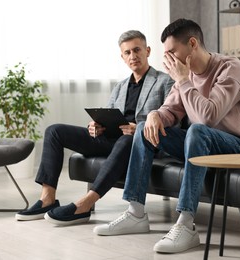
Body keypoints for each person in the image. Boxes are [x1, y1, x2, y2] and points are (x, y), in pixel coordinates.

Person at [93, 18, 240, 254]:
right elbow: (170, 110)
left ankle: (186, 223)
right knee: (143, 127)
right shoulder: (187, 74)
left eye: (172, 51)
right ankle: (136, 212)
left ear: (192, 44)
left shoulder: (230, 69)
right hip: (201, 143)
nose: (168, 59)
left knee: (197, 129)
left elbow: (207, 117)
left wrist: (182, 80)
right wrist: (154, 115)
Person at [15, 30, 174, 225]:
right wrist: (97, 126)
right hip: (112, 140)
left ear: (147, 51)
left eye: (137, 50)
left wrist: (139, 128)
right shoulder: (120, 86)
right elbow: (108, 115)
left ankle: (85, 204)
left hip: (141, 142)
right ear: (122, 57)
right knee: (54, 131)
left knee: (127, 139)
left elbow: (171, 118)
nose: (133, 56)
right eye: (127, 53)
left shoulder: (165, 81)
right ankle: (47, 199)